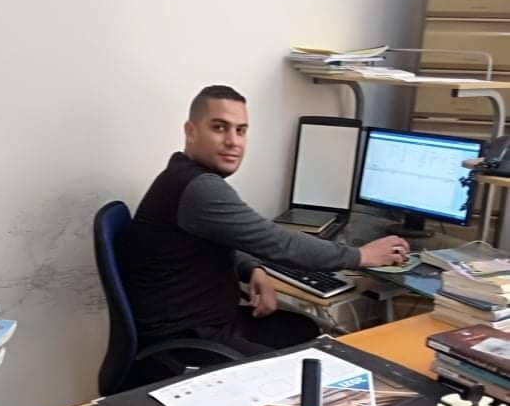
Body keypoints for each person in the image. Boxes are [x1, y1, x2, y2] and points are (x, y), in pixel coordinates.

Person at [123, 85, 409, 359]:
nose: (233, 141)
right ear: (191, 131)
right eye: (219, 128)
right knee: (303, 367)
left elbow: (216, 243)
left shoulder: (182, 175)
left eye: (241, 130)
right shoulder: (199, 189)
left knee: (305, 330)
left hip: (206, 322)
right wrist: (361, 256)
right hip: (184, 340)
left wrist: (253, 270)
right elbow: (279, 243)